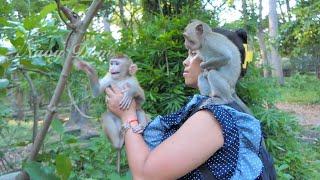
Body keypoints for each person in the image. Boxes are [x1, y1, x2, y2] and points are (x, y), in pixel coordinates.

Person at [105, 29, 264, 179]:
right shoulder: (214, 107)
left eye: (193, 54)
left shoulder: (214, 118)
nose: (185, 61)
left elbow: (144, 176)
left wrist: (127, 115)